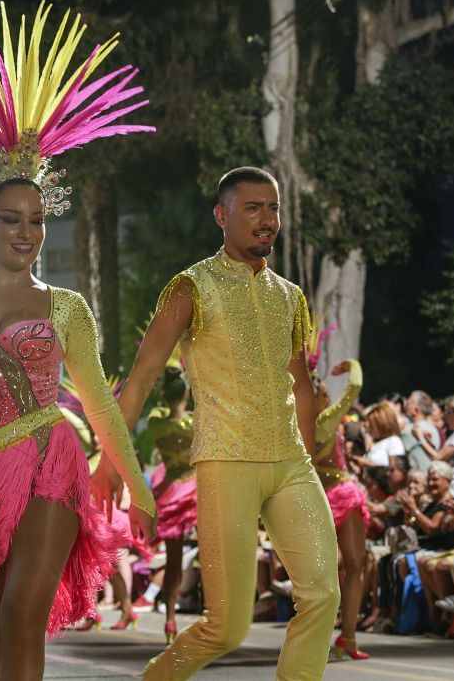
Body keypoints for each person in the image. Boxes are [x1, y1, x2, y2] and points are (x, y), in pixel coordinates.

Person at [0, 5, 156, 679]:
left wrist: (139, 486)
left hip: (46, 457)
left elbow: (99, 401)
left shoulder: (65, 306)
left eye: (37, 220)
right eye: (11, 218)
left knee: (19, 615)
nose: (26, 231)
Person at [117, 166, 340, 680]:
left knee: (322, 592)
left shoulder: (289, 295)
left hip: (290, 464)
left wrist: (308, 460)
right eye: (253, 208)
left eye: (274, 208)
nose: (267, 219)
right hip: (226, 461)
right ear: (222, 215)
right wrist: (116, 463)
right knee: (227, 626)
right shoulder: (192, 287)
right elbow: (144, 375)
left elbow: (301, 385)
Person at [310, 358, 371, 659]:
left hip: (315, 498)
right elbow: (356, 386)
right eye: (323, 389)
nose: (328, 394)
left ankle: (328, 637)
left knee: (327, 571)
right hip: (342, 496)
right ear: (318, 396)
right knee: (354, 566)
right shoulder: (325, 421)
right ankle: (347, 637)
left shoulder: (295, 427)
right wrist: (351, 365)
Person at [145, 367, 197, 643]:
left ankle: (169, 622)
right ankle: (216, 618)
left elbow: (155, 413)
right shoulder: (194, 423)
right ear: (187, 394)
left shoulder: (157, 425)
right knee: (213, 558)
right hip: (197, 488)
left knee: (173, 562)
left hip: (172, 491)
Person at [403, 391, 441, 472]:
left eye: (408, 403)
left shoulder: (409, 430)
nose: (405, 405)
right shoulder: (434, 429)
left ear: (416, 410)